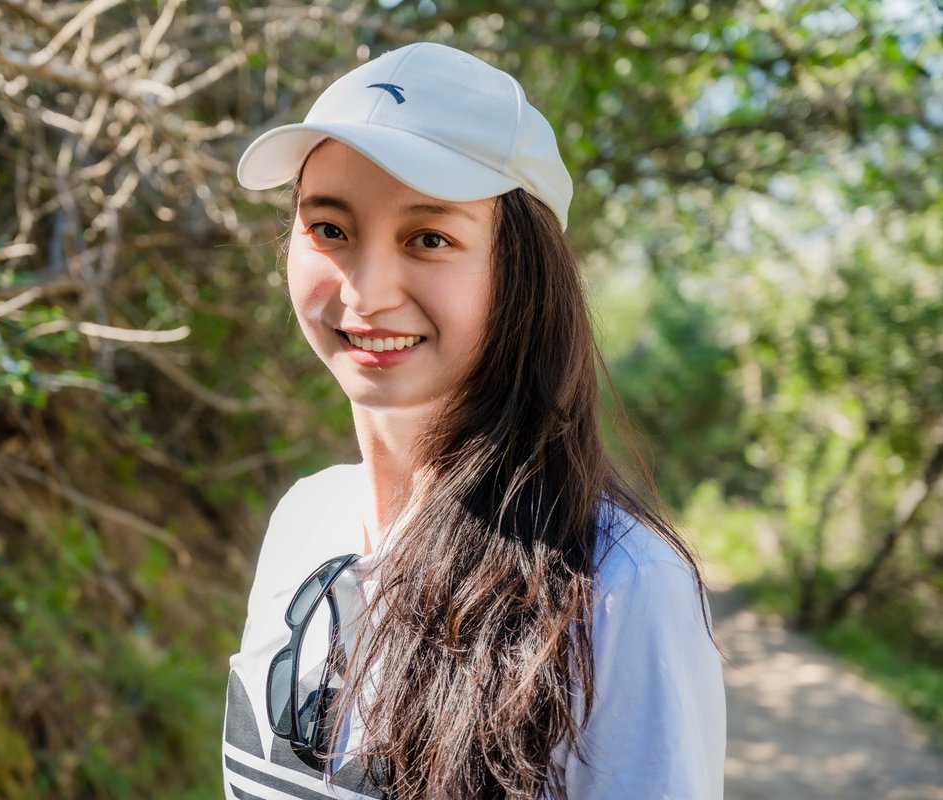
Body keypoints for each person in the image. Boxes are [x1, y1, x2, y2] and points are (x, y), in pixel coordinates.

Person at [224, 42, 725, 800]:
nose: (365, 293)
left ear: (523, 274)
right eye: (328, 228)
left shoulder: (618, 586)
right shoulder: (305, 521)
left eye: (429, 238)